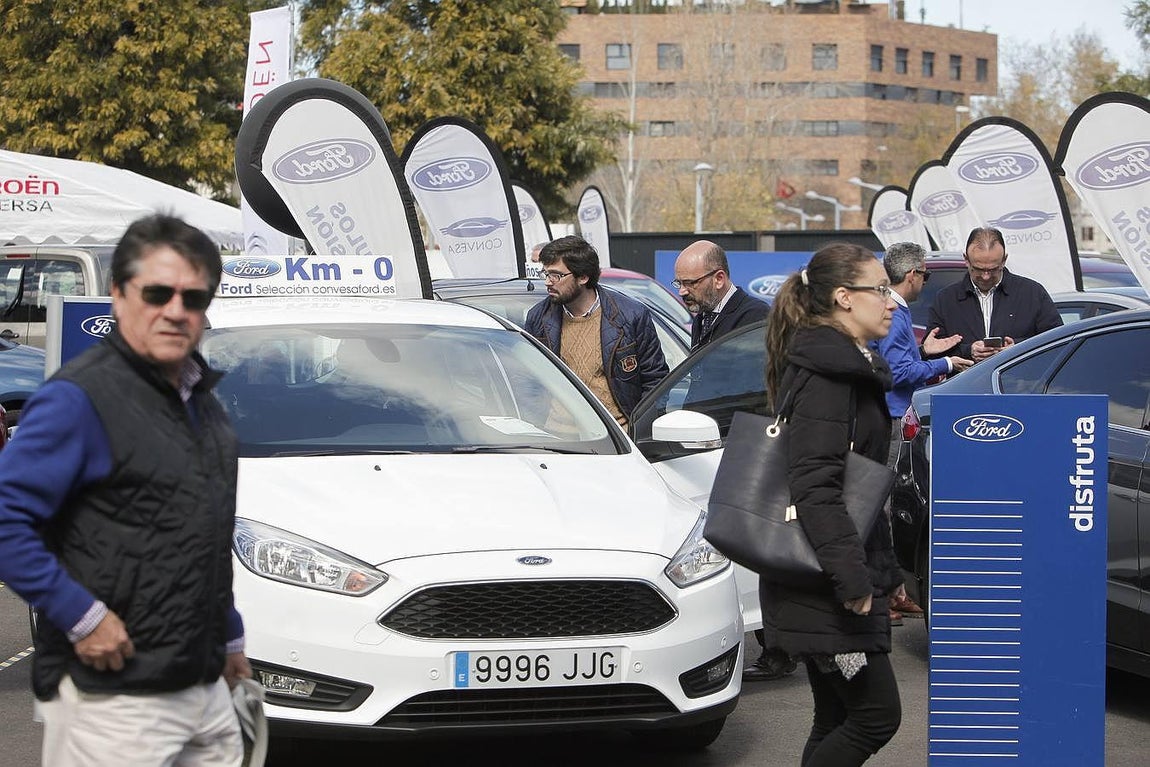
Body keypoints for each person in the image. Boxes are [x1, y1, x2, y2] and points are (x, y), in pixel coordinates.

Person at [0, 214, 249, 766]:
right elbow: (5, 520)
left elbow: (199, 532)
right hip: (112, 696)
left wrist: (229, 636)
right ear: (117, 294)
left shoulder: (198, 399)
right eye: (157, 293)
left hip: (202, 684)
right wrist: (81, 616)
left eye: (194, 297)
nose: (175, 311)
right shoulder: (78, 400)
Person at [761, 242, 903, 766]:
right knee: (874, 717)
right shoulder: (828, 373)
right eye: (880, 290)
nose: (893, 302)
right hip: (829, 587)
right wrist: (853, 578)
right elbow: (814, 484)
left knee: (837, 718)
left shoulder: (844, 364)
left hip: (829, 578)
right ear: (844, 297)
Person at [873, 242, 973, 624]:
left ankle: (894, 590)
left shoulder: (892, 310)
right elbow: (896, 373)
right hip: (895, 419)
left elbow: (896, 360)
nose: (924, 281)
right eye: (925, 275)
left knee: (888, 506)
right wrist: (945, 363)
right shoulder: (894, 311)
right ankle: (883, 593)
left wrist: (924, 352)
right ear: (913, 274)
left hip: (893, 416)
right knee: (884, 508)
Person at [524, 235, 668, 427]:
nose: (548, 282)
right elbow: (528, 381)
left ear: (583, 277)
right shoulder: (539, 317)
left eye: (556, 275)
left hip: (618, 439)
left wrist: (638, 430)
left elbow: (655, 380)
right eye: (546, 274)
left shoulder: (631, 315)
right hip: (557, 438)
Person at [927, 226, 1062, 364]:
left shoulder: (1032, 293)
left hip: (1020, 382)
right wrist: (968, 351)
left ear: (1004, 260)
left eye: (993, 269)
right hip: (966, 383)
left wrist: (1018, 349)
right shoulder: (946, 300)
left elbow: (1057, 341)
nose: (986, 276)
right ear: (966, 260)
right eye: (979, 269)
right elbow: (932, 350)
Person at [673, 240, 769, 350]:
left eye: (690, 283)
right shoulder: (702, 318)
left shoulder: (755, 316)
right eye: (679, 283)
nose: (682, 291)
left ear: (719, 279)